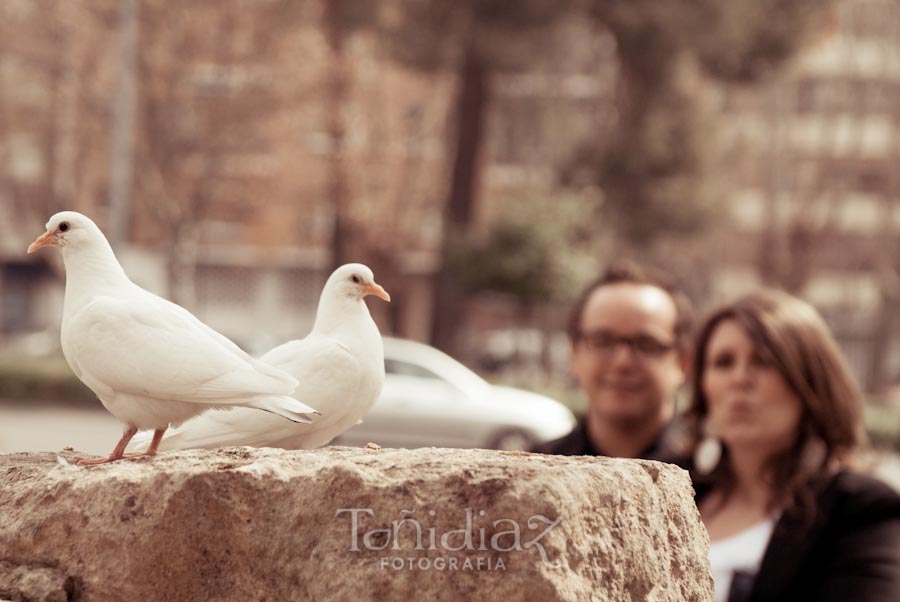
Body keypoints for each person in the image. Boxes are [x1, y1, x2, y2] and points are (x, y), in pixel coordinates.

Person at [686, 289, 900, 602]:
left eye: (764, 361)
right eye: (723, 362)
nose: (740, 379)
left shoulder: (860, 509)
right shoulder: (676, 488)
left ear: (808, 381)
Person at [532, 261, 692, 461]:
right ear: (574, 353)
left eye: (646, 344)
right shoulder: (540, 470)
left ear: (683, 362)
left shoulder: (719, 480)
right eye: (602, 341)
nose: (622, 362)